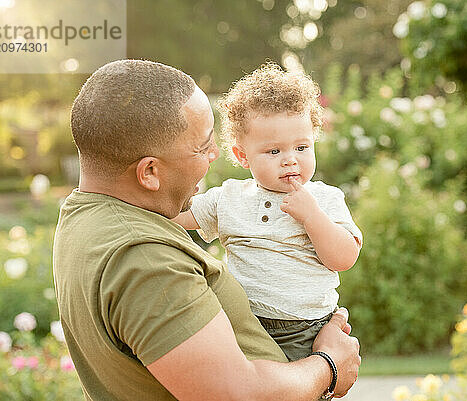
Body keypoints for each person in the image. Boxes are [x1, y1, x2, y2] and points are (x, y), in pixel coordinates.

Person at [52, 59, 360, 401]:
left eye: (301, 147)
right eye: (202, 147)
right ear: (149, 172)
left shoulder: (86, 216)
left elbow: (343, 253)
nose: (216, 155)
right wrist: (330, 365)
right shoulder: (146, 261)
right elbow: (235, 395)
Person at [173, 63, 362, 362]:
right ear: (242, 156)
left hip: (305, 330)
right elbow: (175, 215)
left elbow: (343, 258)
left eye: (301, 147)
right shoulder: (229, 198)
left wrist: (312, 217)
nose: (290, 160)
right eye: (274, 151)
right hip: (244, 325)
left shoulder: (324, 199)